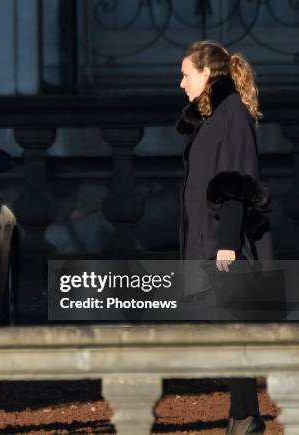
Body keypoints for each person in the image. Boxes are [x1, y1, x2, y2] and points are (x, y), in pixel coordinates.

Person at [177, 40, 272, 434]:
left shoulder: (231, 113)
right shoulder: (215, 116)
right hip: (212, 238)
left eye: (186, 74)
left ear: (206, 74)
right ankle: (242, 414)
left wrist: (228, 244)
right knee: (229, 329)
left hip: (225, 242)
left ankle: (247, 416)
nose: (181, 83)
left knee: (235, 329)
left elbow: (238, 183)